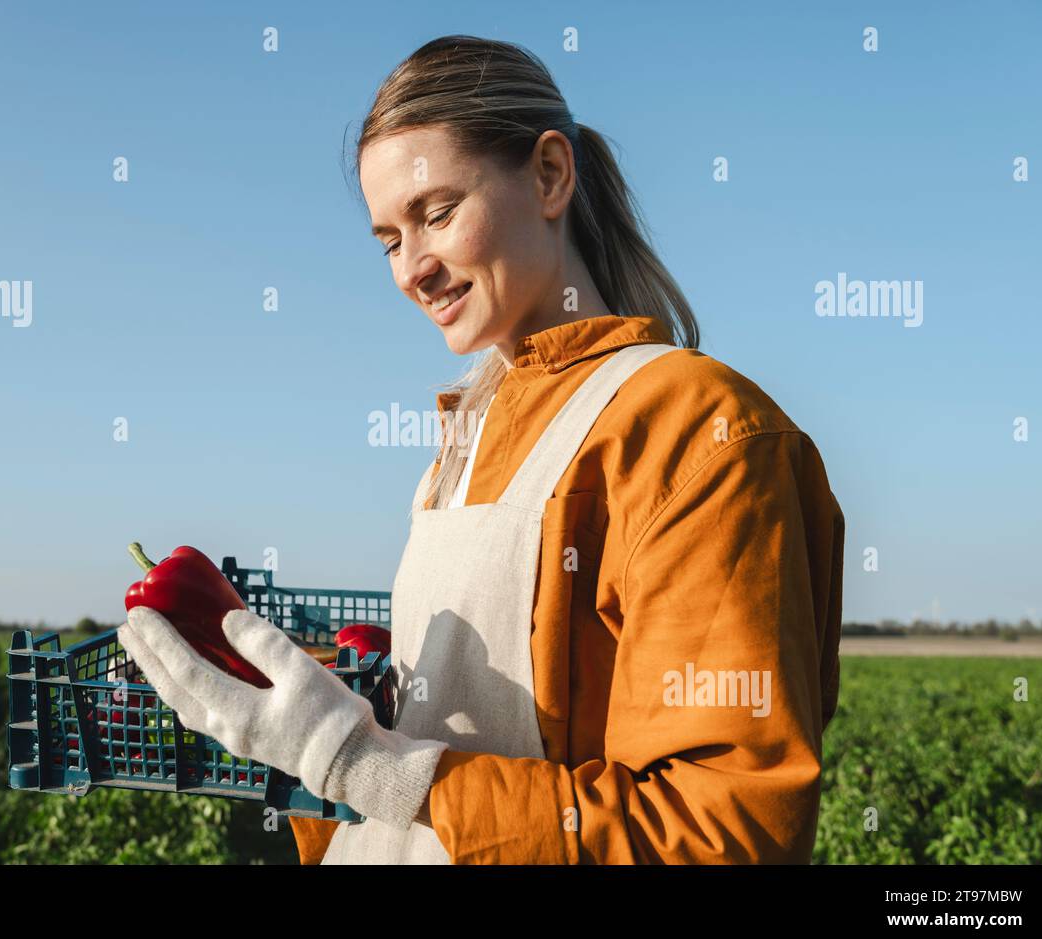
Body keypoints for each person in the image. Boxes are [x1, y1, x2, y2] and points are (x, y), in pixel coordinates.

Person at [119, 34, 844, 865]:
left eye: (436, 213)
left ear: (549, 175)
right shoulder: (462, 442)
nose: (412, 271)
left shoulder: (698, 432)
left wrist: (357, 758)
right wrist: (309, 739)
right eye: (390, 239)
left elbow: (724, 837)